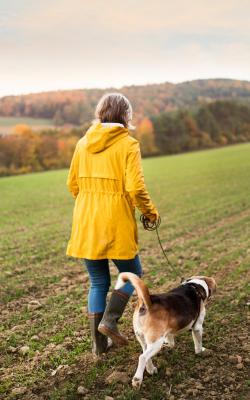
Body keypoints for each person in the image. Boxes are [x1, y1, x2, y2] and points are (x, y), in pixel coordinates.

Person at [66, 93, 159, 356]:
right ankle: (110, 322)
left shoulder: (83, 143)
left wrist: (89, 205)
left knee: (98, 282)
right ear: (126, 116)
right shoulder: (129, 145)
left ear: (101, 113)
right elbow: (135, 187)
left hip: (86, 222)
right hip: (116, 220)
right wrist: (150, 213)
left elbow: (73, 184)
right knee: (133, 274)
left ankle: (98, 345)